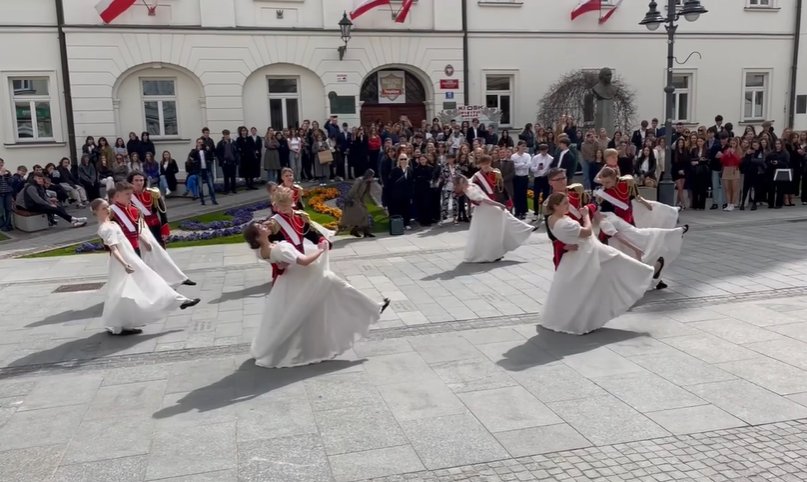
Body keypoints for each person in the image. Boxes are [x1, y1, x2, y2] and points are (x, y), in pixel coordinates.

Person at [244, 223, 389, 368]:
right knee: (341, 290)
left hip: (290, 281)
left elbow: (280, 264)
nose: (264, 226)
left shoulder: (261, 251)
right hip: (307, 277)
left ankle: (371, 309)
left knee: (310, 310)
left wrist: (283, 264)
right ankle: (370, 310)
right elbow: (304, 262)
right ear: (257, 236)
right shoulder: (278, 248)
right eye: (260, 227)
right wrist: (321, 250)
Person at [540, 192, 653, 335]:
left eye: (568, 202)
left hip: (576, 254)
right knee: (612, 266)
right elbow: (587, 232)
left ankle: (643, 273)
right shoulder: (564, 223)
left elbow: (559, 236)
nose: (568, 205)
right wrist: (587, 214)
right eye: (565, 203)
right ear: (555, 206)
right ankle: (644, 274)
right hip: (586, 253)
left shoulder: (552, 218)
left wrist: (565, 244)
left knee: (581, 286)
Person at [92, 198, 199, 336]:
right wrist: (125, 264)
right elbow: (114, 249)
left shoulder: (111, 223)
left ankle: (178, 302)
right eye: (103, 208)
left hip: (130, 258)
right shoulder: (105, 228)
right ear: (95, 212)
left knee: (131, 290)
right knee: (136, 287)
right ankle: (178, 301)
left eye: (107, 206)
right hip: (125, 261)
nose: (107, 209)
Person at [457, 161, 534, 263]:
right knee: (492, 231)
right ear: (461, 183)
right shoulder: (470, 190)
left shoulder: (470, 184)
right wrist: (499, 204)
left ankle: (525, 228)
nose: (466, 179)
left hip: (488, 211)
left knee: (499, 226)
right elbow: (484, 200)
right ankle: (492, 253)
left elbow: (473, 178)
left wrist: (484, 168)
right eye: (463, 180)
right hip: (487, 210)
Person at [266, 187, 332, 282]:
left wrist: (321, 239)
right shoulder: (274, 223)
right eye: (281, 206)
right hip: (286, 261)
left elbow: (309, 233)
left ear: (292, 202)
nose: (284, 209)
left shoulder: (300, 216)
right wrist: (277, 263)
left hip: (301, 256)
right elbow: (266, 245)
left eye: (286, 206)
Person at [15, 172, 87, 228]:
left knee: (57, 206)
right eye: (38, 179)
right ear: (34, 179)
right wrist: (49, 204)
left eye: (41, 179)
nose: (40, 180)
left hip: (33, 203)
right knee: (52, 208)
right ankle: (73, 220)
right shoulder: (31, 187)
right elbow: (38, 200)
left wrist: (50, 202)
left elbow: (45, 197)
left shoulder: (40, 186)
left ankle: (72, 221)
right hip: (26, 206)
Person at [341, 169, 376, 238]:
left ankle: (363, 232)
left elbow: (368, 194)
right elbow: (353, 190)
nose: (371, 177)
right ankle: (356, 230)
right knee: (362, 214)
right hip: (354, 200)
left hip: (360, 200)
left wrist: (375, 203)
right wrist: (348, 198)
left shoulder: (368, 183)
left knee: (365, 214)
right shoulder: (359, 180)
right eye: (371, 176)